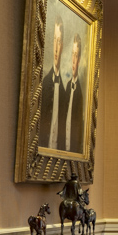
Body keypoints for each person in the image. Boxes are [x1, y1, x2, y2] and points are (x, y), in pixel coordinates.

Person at [42, 22, 66, 150]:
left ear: (62, 46)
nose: (56, 48)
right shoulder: (44, 83)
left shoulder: (64, 91)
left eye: (59, 41)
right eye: (55, 41)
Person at [62, 34, 86, 152]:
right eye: (72, 54)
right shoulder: (67, 86)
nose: (73, 60)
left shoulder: (80, 93)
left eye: (76, 56)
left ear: (79, 59)